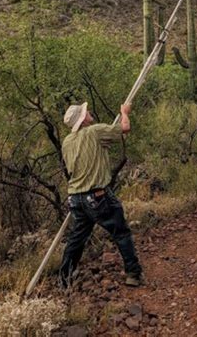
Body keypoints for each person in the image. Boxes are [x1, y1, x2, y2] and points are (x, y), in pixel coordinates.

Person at [59, 102, 143, 288]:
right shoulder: (95, 132)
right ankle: (133, 274)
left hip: (76, 198)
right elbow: (125, 127)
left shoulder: (67, 142)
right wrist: (124, 112)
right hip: (97, 196)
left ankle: (64, 281)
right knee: (121, 233)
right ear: (82, 119)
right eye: (84, 112)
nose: (88, 112)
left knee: (76, 240)